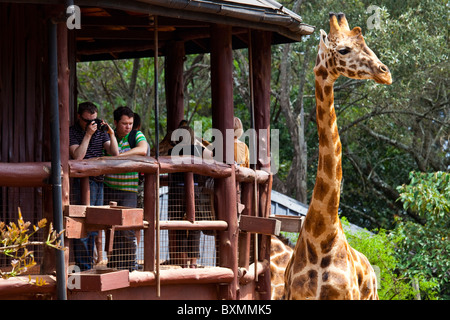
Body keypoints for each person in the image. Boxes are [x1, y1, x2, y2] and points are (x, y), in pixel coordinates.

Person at [69, 101, 119, 271]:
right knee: (82, 224)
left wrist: (111, 134)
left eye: (95, 120)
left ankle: (90, 263)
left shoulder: (99, 131)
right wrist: (88, 135)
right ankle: (83, 266)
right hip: (80, 183)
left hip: (98, 182)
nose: (92, 124)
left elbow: (115, 153)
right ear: (79, 117)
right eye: (87, 120)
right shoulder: (73, 132)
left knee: (95, 223)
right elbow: (77, 157)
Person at [104, 106, 149, 271]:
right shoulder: (108, 135)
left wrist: (119, 157)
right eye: (124, 123)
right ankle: (115, 262)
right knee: (111, 227)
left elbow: (143, 149)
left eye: (130, 123)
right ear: (116, 123)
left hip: (129, 189)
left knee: (127, 228)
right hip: (109, 187)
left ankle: (130, 264)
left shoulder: (136, 135)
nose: (128, 126)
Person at [167, 126, 212, 268]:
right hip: (194, 190)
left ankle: (183, 261)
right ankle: (193, 262)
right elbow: (212, 156)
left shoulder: (171, 151)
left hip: (176, 191)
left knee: (179, 225)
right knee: (195, 225)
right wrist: (199, 144)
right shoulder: (198, 150)